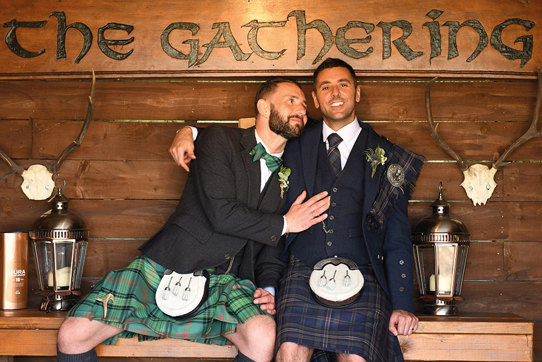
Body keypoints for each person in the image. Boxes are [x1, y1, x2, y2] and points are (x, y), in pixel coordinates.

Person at [56, 78, 331, 362]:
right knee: (72, 333)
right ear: (263, 106)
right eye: (291, 101)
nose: (301, 108)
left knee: (263, 336)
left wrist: (269, 286)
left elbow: (274, 245)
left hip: (231, 278)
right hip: (171, 263)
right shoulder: (219, 140)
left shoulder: (294, 168)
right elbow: (221, 213)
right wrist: (286, 222)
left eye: (304, 104)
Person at [170, 58, 425, 361]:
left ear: (357, 93)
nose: (335, 93)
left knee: (356, 357)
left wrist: (402, 303)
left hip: (364, 275)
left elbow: (397, 236)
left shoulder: (389, 156)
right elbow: (247, 139)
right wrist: (190, 131)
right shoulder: (293, 140)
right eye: (325, 87)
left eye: (343, 85)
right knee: (289, 351)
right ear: (315, 99)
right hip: (301, 271)